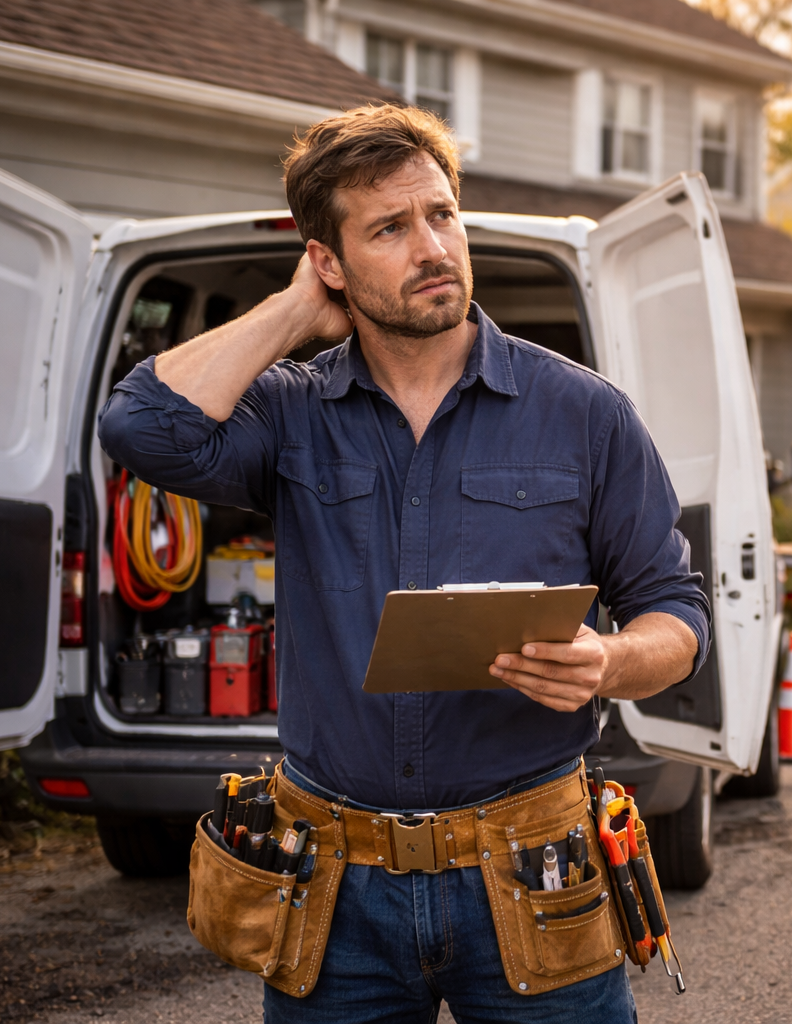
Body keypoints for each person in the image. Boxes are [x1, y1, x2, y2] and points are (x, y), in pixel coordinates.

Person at [98, 103, 708, 1024]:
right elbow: (140, 426)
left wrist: (609, 662)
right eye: (389, 228)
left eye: (442, 215)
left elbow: (679, 616)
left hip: (536, 871)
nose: (433, 247)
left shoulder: (585, 413)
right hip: (332, 890)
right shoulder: (288, 414)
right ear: (329, 259)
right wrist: (297, 310)